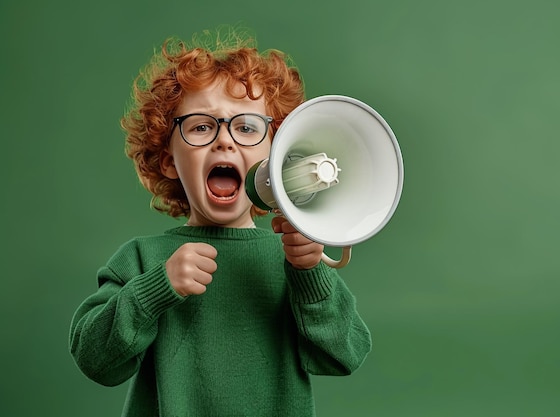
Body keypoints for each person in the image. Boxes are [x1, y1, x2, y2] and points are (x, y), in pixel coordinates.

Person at [69, 28, 372, 417]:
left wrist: (310, 273)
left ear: (276, 153)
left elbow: (346, 354)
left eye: (247, 128)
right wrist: (155, 289)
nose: (225, 141)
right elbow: (94, 360)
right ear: (168, 160)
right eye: (200, 126)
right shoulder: (143, 260)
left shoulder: (295, 261)